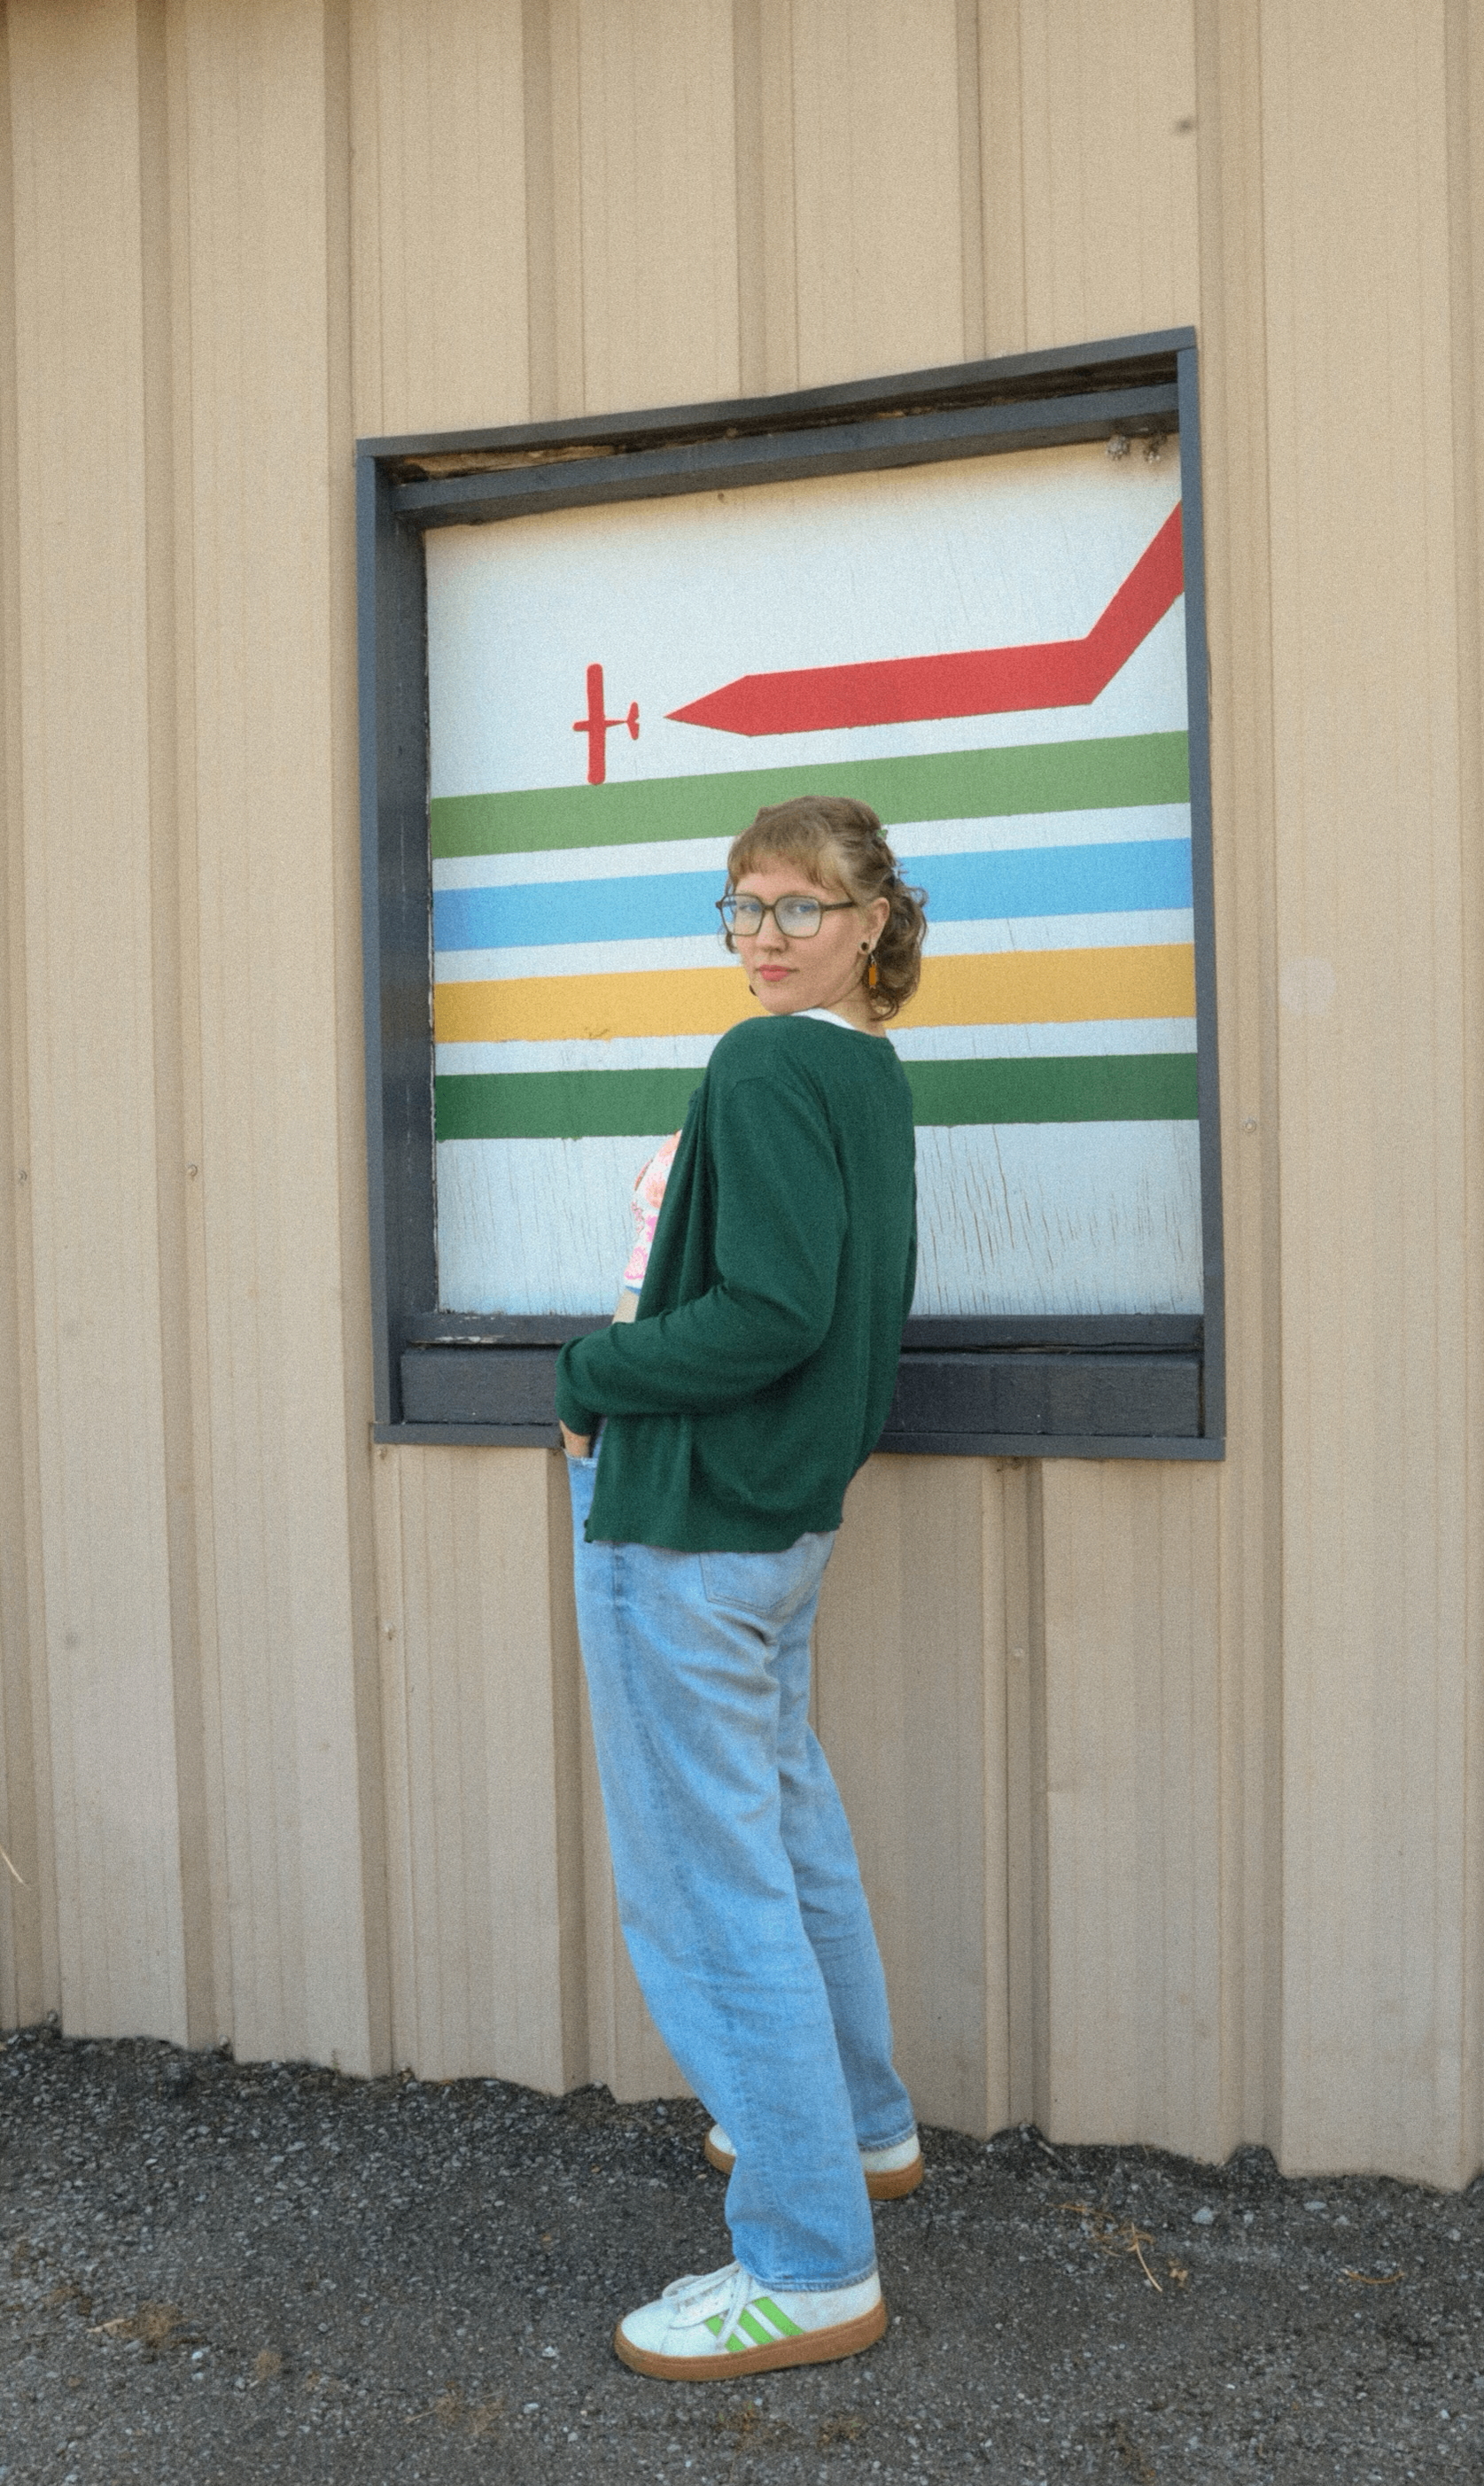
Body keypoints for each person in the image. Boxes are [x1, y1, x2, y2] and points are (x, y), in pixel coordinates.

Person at [556, 794, 928, 2381]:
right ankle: (858, 2130)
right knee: (782, 1826)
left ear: (868, 921)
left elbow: (770, 1308)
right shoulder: (866, 1071)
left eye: (799, 904)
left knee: (712, 1896)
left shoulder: (767, 1062)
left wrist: (588, 1367)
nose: (764, 934)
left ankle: (807, 2260)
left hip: (694, 1518)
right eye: (743, 905)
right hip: (778, 1525)